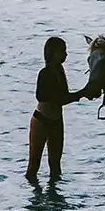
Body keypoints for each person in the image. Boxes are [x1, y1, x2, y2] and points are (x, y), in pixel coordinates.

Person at [25, 36, 90, 183]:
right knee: (33, 166)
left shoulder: (60, 71)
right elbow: (41, 97)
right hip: (41, 120)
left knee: (55, 166)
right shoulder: (45, 72)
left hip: (56, 120)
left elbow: (64, 97)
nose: (66, 54)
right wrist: (83, 93)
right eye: (63, 51)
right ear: (53, 53)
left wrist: (82, 94)